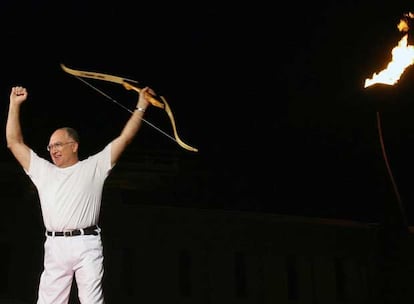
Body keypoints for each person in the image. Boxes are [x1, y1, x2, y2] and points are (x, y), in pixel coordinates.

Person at [6, 85, 152, 304]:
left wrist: (141, 106)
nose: (53, 149)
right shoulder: (44, 171)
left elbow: (124, 138)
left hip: (86, 243)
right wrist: (14, 105)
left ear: (73, 146)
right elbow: (14, 142)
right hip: (55, 245)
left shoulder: (93, 167)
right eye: (50, 146)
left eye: (58, 144)